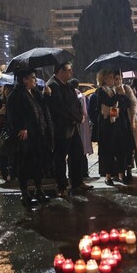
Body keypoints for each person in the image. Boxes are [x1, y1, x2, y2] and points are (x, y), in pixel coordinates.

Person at [5, 69, 53, 206]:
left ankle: (39, 189)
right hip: (25, 136)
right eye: (32, 78)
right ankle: (24, 193)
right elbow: (13, 115)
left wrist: (47, 95)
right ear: (24, 79)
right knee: (24, 165)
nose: (35, 80)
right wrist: (22, 127)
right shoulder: (16, 95)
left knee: (38, 164)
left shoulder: (35, 93)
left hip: (38, 134)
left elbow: (43, 108)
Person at [46, 62, 93, 197]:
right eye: (69, 70)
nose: (71, 73)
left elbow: (76, 102)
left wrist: (79, 116)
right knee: (60, 159)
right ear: (60, 71)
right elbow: (60, 108)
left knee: (77, 154)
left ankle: (77, 182)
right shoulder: (53, 85)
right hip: (60, 129)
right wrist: (77, 118)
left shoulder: (67, 85)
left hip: (72, 126)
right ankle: (62, 186)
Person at [94, 70, 120, 185]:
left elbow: (118, 106)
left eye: (113, 78)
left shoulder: (113, 90)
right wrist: (118, 95)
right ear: (104, 79)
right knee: (107, 150)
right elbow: (109, 102)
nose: (112, 80)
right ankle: (107, 175)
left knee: (115, 149)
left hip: (113, 122)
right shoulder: (101, 91)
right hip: (104, 124)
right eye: (110, 77)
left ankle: (116, 173)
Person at [114, 71, 137, 183]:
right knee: (119, 149)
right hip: (117, 122)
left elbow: (133, 104)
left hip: (127, 120)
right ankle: (121, 172)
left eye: (119, 78)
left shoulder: (127, 89)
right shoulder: (111, 91)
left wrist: (133, 121)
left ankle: (129, 170)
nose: (118, 81)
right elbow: (112, 108)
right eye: (115, 79)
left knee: (129, 148)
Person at [68, 78, 93, 179]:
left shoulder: (75, 96)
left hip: (78, 125)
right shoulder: (81, 96)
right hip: (82, 125)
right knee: (82, 151)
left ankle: (74, 173)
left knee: (76, 152)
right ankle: (84, 172)